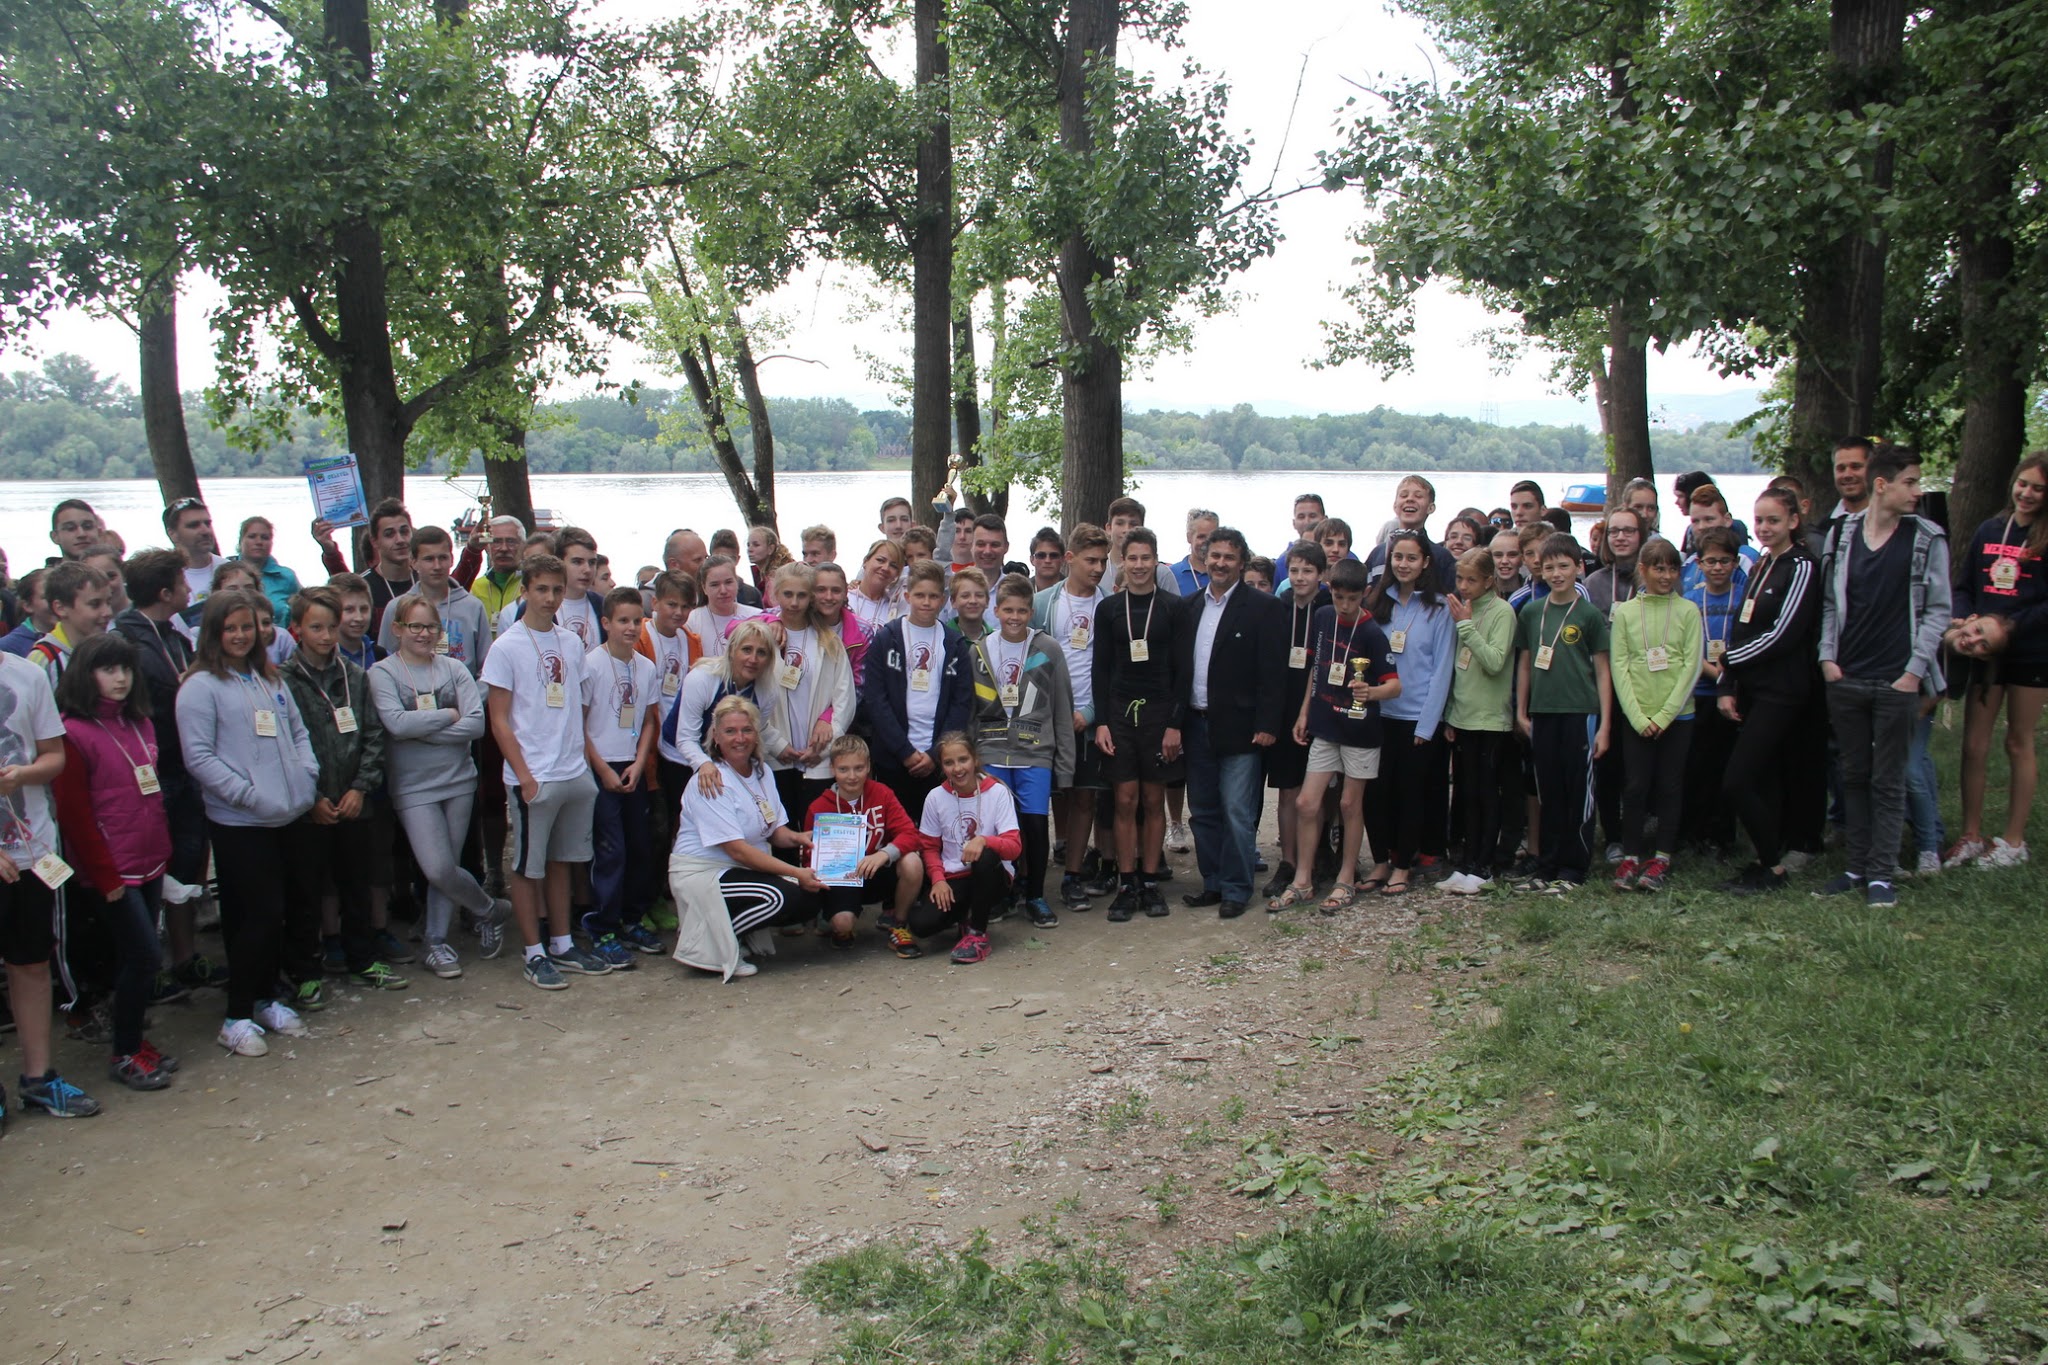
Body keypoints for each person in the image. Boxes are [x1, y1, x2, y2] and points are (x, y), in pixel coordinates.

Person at [177, 590, 322, 1056]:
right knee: (254, 916)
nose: (241, 636)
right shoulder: (199, 687)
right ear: (213, 633)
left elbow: (297, 731)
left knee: (283, 911)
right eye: (231, 628)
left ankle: (265, 998)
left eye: (248, 627)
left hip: (290, 813)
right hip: (241, 822)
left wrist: (307, 776)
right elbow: (199, 757)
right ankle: (235, 1015)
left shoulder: (268, 677)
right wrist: (248, 795)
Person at [1815, 445, 1950, 908]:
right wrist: (1828, 658)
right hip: (1847, 676)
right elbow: (1830, 603)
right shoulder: (1842, 535)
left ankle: (1881, 873)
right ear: (1882, 484)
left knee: (1889, 780)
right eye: (1909, 482)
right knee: (1853, 774)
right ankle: (1856, 867)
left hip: (1897, 680)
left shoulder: (1927, 538)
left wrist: (1914, 672)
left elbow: (1938, 611)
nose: (1917, 491)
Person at [51, 631, 182, 1092]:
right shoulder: (72, 733)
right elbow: (74, 815)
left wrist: (162, 851)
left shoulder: (139, 722)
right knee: (144, 955)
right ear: (86, 675)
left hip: (149, 859)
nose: (120, 678)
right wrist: (105, 876)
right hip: (111, 869)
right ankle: (125, 1051)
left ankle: (135, 1042)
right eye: (108, 669)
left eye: (125, 668)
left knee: (138, 956)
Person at [479, 552, 613, 989]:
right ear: (525, 591)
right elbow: (499, 719)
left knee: (562, 861)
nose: (550, 598)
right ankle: (533, 951)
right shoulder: (506, 647)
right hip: (534, 773)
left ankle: (562, 941)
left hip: (572, 769)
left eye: (557, 589)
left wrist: (583, 763)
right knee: (527, 866)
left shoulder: (571, 643)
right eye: (541, 589)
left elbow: (577, 703)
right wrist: (524, 775)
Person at [370, 592, 505, 979]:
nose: (424, 633)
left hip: (458, 779)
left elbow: (476, 725)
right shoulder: (382, 673)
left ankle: (436, 942)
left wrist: (421, 731)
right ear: (397, 629)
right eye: (415, 626)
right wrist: (448, 715)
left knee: (447, 867)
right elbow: (396, 724)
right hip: (413, 786)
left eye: (431, 626)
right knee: (437, 867)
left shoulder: (454, 669)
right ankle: (490, 909)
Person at [281, 584, 400, 1009]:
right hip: (307, 807)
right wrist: (310, 797)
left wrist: (360, 787)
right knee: (306, 892)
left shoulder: (354, 676)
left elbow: (373, 734)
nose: (327, 635)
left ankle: (361, 958)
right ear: (297, 629)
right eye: (316, 627)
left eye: (331, 627)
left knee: (356, 884)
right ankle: (305, 973)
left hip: (353, 800)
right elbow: (284, 746)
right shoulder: (283, 681)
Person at [1, 643, 105, 1117]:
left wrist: (22, 774)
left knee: (31, 963)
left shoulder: (27, 675)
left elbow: (53, 756)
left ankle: (38, 1078)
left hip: (33, 850)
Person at [1272, 557, 1397, 913]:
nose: (1344, 605)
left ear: (1365, 593)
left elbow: (1394, 686)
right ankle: (1303, 879)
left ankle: (1345, 878)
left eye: (1352, 599)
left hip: (1359, 731)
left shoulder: (1372, 633)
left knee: (1348, 804)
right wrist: (1304, 712)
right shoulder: (1324, 616)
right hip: (1325, 726)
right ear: (1330, 590)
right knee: (1306, 803)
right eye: (1339, 597)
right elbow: (1317, 667)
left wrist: (1370, 692)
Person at [1716, 489, 1824, 895]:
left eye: (1773, 520)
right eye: (1759, 520)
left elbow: (1784, 634)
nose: (1764, 528)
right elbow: (1741, 626)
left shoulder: (1802, 566)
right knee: (1763, 780)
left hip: (1784, 691)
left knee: (1737, 779)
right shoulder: (1762, 564)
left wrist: (1728, 661)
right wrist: (1728, 684)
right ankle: (1765, 860)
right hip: (1753, 688)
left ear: (1793, 521)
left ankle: (1775, 867)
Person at [667, 696, 821, 981]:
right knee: (780, 896)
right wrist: (796, 872)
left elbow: (776, 832)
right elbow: (737, 850)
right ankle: (710, 945)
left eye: (746, 730)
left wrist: (803, 838)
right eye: (730, 731)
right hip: (704, 873)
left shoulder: (762, 772)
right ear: (716, 736)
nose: (740, 738)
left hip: (739, 870)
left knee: (810, 898)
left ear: (756, 733)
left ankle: (726, 934)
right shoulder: (710, 780)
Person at [1942, 452, 2045, 870]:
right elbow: (1964, 585)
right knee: (1974, 744)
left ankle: (2014, 841)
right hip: (1985, 652)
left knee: (2018, 741)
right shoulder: (1989, 530)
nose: (2027, 493)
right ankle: (1971, 835)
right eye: (2023, 484)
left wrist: (2009, 626)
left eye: (2038, 488)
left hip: (2031, 651)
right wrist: (1966, 617)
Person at [1182, 527, 1287, 919]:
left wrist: (1268, 724)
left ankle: (1237, 888)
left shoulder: (1264, 608)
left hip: (1242, 728)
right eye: (1215, 556)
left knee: (1237, 812)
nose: (1220, 563)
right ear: (1205, 558)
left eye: (1229, 557)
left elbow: (1274, 673)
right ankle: (1212, 883)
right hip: (1196, 724)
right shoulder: (1190, 606)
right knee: (1203, 812)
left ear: (1242, 562)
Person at [1091, 528, 1190, 922]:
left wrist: (1175, 724)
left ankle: (1149, 881)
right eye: (1132, 558)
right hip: (1119, 713)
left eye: (1145, 558)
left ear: (1155, 560)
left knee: (1152, 799)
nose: (1138, 565)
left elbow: (1183, 670)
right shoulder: (1109, 609)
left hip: (1159, 713)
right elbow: (1100, 669)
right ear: (1123, 561)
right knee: (1125, 799)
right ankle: (1126, 881)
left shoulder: (1172, 607)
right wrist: (1102, 722)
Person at [966, 573, 1074, 929]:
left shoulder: (1047, 650)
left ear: (1031, 612)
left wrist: (1065, 764)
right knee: (998, 829)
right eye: (1008, 610)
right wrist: (970, 756)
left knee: (1035, 824)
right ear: (996, 610)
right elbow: (970, 712)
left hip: (1035, 753)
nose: (1014, 617)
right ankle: (1004, 893)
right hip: (991, 753)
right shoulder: (978, 651)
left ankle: (1036, 895)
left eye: (1022, 611)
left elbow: (1062, 708)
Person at [1513, 533, 1613, 892]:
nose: (1556, 574)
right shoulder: (1531, 612)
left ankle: (1574, 868)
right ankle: (1548, 865)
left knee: (1578, 792)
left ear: (1578, 568)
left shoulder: (1588, 615)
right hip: (1542, 713)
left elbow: (1603, 671)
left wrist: (1604, 726)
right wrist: (1521, 711)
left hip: (1580, 713)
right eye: (1549, 567)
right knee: (1549, 792)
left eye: (1563, 566)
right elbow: (1525, 663)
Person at [1362, 530, 1456, 897]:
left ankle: (1403, 866)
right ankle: (1380, 861)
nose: (1403, 564)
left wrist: (1427, 724)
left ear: (1426, 562)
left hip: (1416, 718)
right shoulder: (1376, 602)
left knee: (1411, 793)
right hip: (1379, 714)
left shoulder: (1439, 609)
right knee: (1376, 793)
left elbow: (1442, 669)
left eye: (1411, 558)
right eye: (1398, 557)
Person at [1608, 538, 1703, 892]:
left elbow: (1691, 666)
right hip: (1637, 716)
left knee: (1669, 786)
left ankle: (1662, 857)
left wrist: (1665, 716)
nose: (1666, 576)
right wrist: (1636, 716)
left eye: (1672, 569)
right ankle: (1631, 855)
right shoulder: (1626, 612)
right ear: (1643, 570)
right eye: (1659, 569)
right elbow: (1620, 665)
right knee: (1635, 786)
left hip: (1677, 717)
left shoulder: (1689, 611)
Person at [580, 587, 663, 967]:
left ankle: (632, 918)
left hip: (632, 767)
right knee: (610, 850)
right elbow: (580, 724)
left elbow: (647, 721)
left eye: (636, 621)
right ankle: (603, 927)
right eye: (622, 621)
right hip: (601, 768)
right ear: (606, 622)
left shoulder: (645, 667)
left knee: (639, 846)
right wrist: (602, 770)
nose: (630, 628)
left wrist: (640, 762)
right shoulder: (591, 665)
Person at [1033, 525, 1114, 908]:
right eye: (1090, 560)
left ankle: (1073, 875)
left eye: (1103, 561)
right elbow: (1028, 659)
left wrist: (1091, 713)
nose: (1097, 568)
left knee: (1084, 798)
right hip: (1045, 718)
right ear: (1070, 559)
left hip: (1087, 717)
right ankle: (1027, 881)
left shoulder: (1109, 606)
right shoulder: (1043, 603)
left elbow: (1113, 669)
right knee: (1036, 799)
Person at [863, 560, 972, 821]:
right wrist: (905, 751)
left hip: (939, 759)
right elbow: (876, 699)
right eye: (920, 595)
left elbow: (961, 702)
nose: (926, 602)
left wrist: (936, 753)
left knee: (936, 830)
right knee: (897, 830)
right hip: (893, 756)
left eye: (933, 596)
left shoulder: (954, 643)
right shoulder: (886, 639)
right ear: (907, 596)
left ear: (943, 600)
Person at [1440, 546, 1517, 894]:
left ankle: (1485, 865)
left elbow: (1495, 661)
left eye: (1471, 580)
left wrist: (1466, 626)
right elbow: (1456, 667)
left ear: (1489, 580)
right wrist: (1450, 714)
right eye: (1460, 578)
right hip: (1463, 715)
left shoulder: (1502, 612)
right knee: (1466, 793)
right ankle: (1467, 862)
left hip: (1490, 719)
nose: (1464, 586)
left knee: (1487, 793)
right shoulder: (1461, 607)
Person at [803, 735, 924, 953]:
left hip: (876, 869)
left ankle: (898, 924)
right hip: (842, 879)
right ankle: (836, 921)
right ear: (832, 769)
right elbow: (808, 858)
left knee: (912, 862)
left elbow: (910, 834)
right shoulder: (818, 808)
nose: (852, 776)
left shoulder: (882, 793)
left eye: (858, 768)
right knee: (842, 923)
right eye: (843, 769)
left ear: (868, 766)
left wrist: (883, 854)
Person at [911, 732, 1022, 964]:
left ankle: (977, 934)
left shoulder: (997, 792)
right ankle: (966, 916)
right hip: (955, 876)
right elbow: (929, 847)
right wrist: (938, 880)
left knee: (985, 855)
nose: (957, 768)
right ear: (942, 766)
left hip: (992, 875)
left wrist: (984, 840)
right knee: (921, 925)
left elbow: (1014, 847)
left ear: (975, 759)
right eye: (949, 762)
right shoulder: (935, 797)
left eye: (963, 760)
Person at [666, 619, 795, 813]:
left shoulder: (767, 691)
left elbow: (757, 729)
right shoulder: (702, 678)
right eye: (746, 650)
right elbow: (685, 738)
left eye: (761, 653)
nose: (753, 659)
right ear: (732, 650)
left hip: (721, 756)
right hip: (681, 754)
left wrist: (780, 746)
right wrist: (703, 763)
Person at [764, 563, 855, 819]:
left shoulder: (829, 641)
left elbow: (845, 698)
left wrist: (825, 747)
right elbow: (751, 699)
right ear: (776, 594)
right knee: (779, 831)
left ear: (810, 597)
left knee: (816, 830)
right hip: (775, 757)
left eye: (802, 595)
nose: (794, 602)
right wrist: (776, 744)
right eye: (788, 594)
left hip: (818, 759)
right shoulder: (763, 637)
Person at [1262, 542, 1327, 897]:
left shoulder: (1329, 608)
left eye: (1308, 571)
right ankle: (1288, 861)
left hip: (1320, 709)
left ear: (1321, 574)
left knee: (1318, 791)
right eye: (1295, 570)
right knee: (1288, 789)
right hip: (1284, 709)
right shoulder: (1279, 606)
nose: (1300, 578)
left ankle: (1315, 858)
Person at [1680, 527, 1743, 854]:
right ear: (1699, 564)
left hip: (1733, 692)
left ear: (1735, 563)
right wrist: (1715, 672)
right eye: (1711, 561)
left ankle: (1724, 835)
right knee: (1696, 765)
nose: (1717, 567)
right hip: (1700, 692)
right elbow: (1686, 648)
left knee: (1727, 764)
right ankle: (1694, 832)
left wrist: (1728, 676)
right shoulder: (1690, 601)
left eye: (1724, 561)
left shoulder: (1744, 598)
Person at [375, 526, 491, 672]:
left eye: (442, 558)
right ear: (413, 562)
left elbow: (487, 667)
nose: (437, 566)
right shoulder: (396, 607)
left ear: (451, 559)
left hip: (464, 684)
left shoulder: (473, 607)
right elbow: (385, 664)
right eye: (429, 559)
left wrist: (473, 688)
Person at [29, 561, 113, 686]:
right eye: (95, 604)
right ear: (60, 608)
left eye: (109, 602)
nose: (108, 612)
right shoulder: (43, 660)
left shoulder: (112, 650)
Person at [1365, 476, 1458, 588]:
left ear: (1431, 508)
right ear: (1395, 506)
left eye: (1418, 496)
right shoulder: (1378, 553)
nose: (1410, 499)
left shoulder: (1441, 557)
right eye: (1404, 495)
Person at [687, 554, 764, 660]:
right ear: (704, 588)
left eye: (728, 582)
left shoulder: (757, 616)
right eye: (715, 585)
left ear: (737, 582)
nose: (723, 590)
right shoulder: (692, 621)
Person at [809, 562, 869, 686]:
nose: (829, 597)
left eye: (835, 590)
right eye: (821, 590)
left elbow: (858, 684)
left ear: (845, 592)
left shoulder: (863, 631)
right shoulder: (797, 618)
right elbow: (770, 614)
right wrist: (773, 620)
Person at [460, 514, 529, 620]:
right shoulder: (475, 587)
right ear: (486, 546)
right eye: (496, 541)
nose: (504, 548)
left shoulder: (532, 585)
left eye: (511, 541)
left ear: (523, 546)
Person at [848, 539, 905, 639]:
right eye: (880, 560)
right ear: (865, 562)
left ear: (897, 574)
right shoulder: (844, 599)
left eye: (893, 566)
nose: (885, 568)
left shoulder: (895, 608)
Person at [0, 569, 52, 657]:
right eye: (48, 597)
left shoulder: (73, 636)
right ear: (28, 605)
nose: (58, 603)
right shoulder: (7, 647)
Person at [1168, 509, 1218, 596]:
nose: (1207, 541)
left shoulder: (1223, 573)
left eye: (1212, 537)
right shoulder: (1171, 574)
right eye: (1201, 536)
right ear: (1189, 537)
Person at [945, 567, 993, 641]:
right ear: (953, 601)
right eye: (965, 596)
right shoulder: (943, 636)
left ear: (987, 601)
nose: (973, 601)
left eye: (979, 595)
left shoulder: (996, 639)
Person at [745, 525, 794, 596]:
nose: (749, 549)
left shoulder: (786, 574)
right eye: (748, 545)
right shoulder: (759, 574)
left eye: (756, 545)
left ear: (770, 549)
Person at [1027, 528, 1067, 594]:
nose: (1047, 560)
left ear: (1063, 559)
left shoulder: (1074, 591)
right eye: (1041, 555)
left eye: (1054, 555)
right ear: (1032, 560)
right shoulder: (1020, 591)